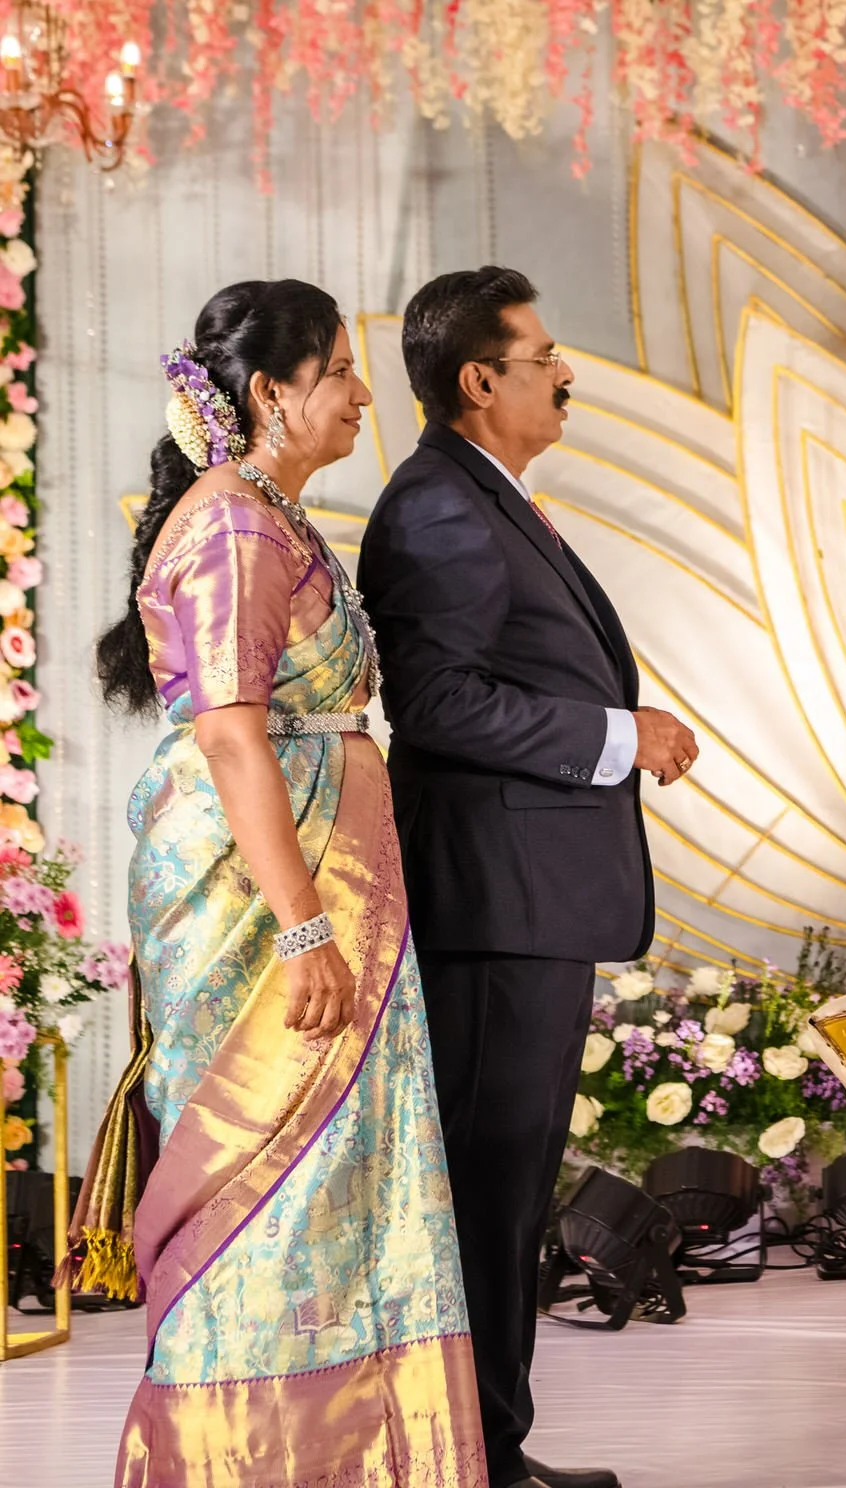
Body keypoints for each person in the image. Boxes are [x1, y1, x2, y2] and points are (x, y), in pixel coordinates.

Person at [88, 280, 485, 1486]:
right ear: (270, 392)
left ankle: (352, 1451)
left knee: (337, 1171)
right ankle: (237, 1456)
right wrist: (304, 925)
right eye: (341, 371)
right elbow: (229, 733)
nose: (364, 393)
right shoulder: (231, 526)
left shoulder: (272, 516)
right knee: (269, 1169)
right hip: (265, 904)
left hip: (324, 885)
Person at [359, 268, 698, 1488]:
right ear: (478, 379)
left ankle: (490, 1443)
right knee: (485, 1189)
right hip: (492, 901)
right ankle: (471, 1457)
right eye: (544, 355)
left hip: (525, 900)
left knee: (506, 1188)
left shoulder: (483, 494)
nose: (565, 375)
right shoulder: (440, 506)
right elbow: (437, 703)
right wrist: (618, 736)